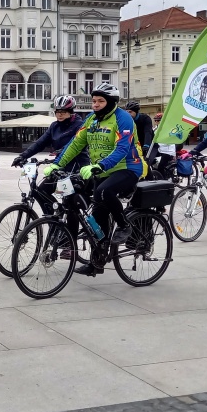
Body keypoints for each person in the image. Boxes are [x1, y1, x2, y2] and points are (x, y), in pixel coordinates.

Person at [43, 83, 144, 276]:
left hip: (128, 167)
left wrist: (100, 165)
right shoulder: (91, 120)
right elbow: (75, 144)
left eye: (100, 101)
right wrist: (57, 163)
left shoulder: (123, 120)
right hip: (101, 171)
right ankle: (96, 262)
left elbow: (122, 149)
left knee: (103, 192)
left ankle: (124, 225)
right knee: (97, 218)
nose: (95, 104)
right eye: (94, 101)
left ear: (111, 102)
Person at [11, 95, 85, 213]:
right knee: (40, 191)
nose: (59, 114)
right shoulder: (54, 126)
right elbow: (40, 143)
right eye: (57, 112)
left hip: (75, 169)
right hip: (59, 168)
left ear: (71, 112)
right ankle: (53, 219)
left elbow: (75, 145)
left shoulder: (79, 125)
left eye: (63, 112)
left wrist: (60, 152)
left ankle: (71, 230)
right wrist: (23, 155)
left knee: (70, 204)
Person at [149, 112, 176, 180]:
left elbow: (168, 141)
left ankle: (164, 181)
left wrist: (157, 144)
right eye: (155, 120)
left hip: (168, 151)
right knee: (149, 160)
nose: (156, 122)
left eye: (158, 120)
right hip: (159, 150)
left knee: (161, 167)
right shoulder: (155, 129)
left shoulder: (168, 129)